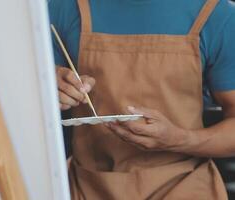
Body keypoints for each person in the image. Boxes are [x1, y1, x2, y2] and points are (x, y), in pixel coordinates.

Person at [49, 0, 235, 199]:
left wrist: (179, 139)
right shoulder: (63, 8)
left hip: (184, 186)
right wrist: (49, 86)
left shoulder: (217, 15)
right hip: (88, 188)